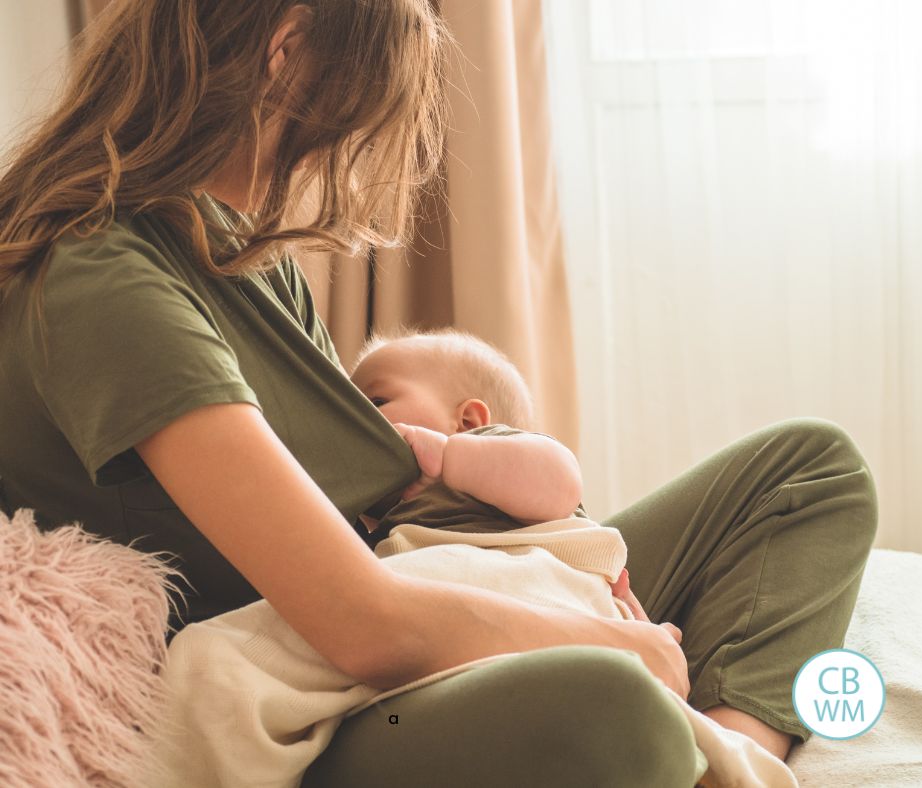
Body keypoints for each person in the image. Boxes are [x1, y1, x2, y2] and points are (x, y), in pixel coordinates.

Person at [0, 2, 877, 786]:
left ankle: (735, 746)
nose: (343, 153)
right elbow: (359, 620)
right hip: (319, 699)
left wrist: (559, 578)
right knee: (613, 705)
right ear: (287, 51)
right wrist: (619, 645)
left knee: (811, 469)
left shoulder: (234, 245)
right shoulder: (105, 277)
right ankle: (690, 738)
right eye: (357, 111)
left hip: (406, 588)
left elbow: (373, 510)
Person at [347, 327, 653, 624]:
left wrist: (447, 456)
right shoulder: (376, 524)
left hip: (546, 605)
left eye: (375, 402)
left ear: (468, 421)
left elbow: (561, 485)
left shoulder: (499, 459)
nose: (355, 420)